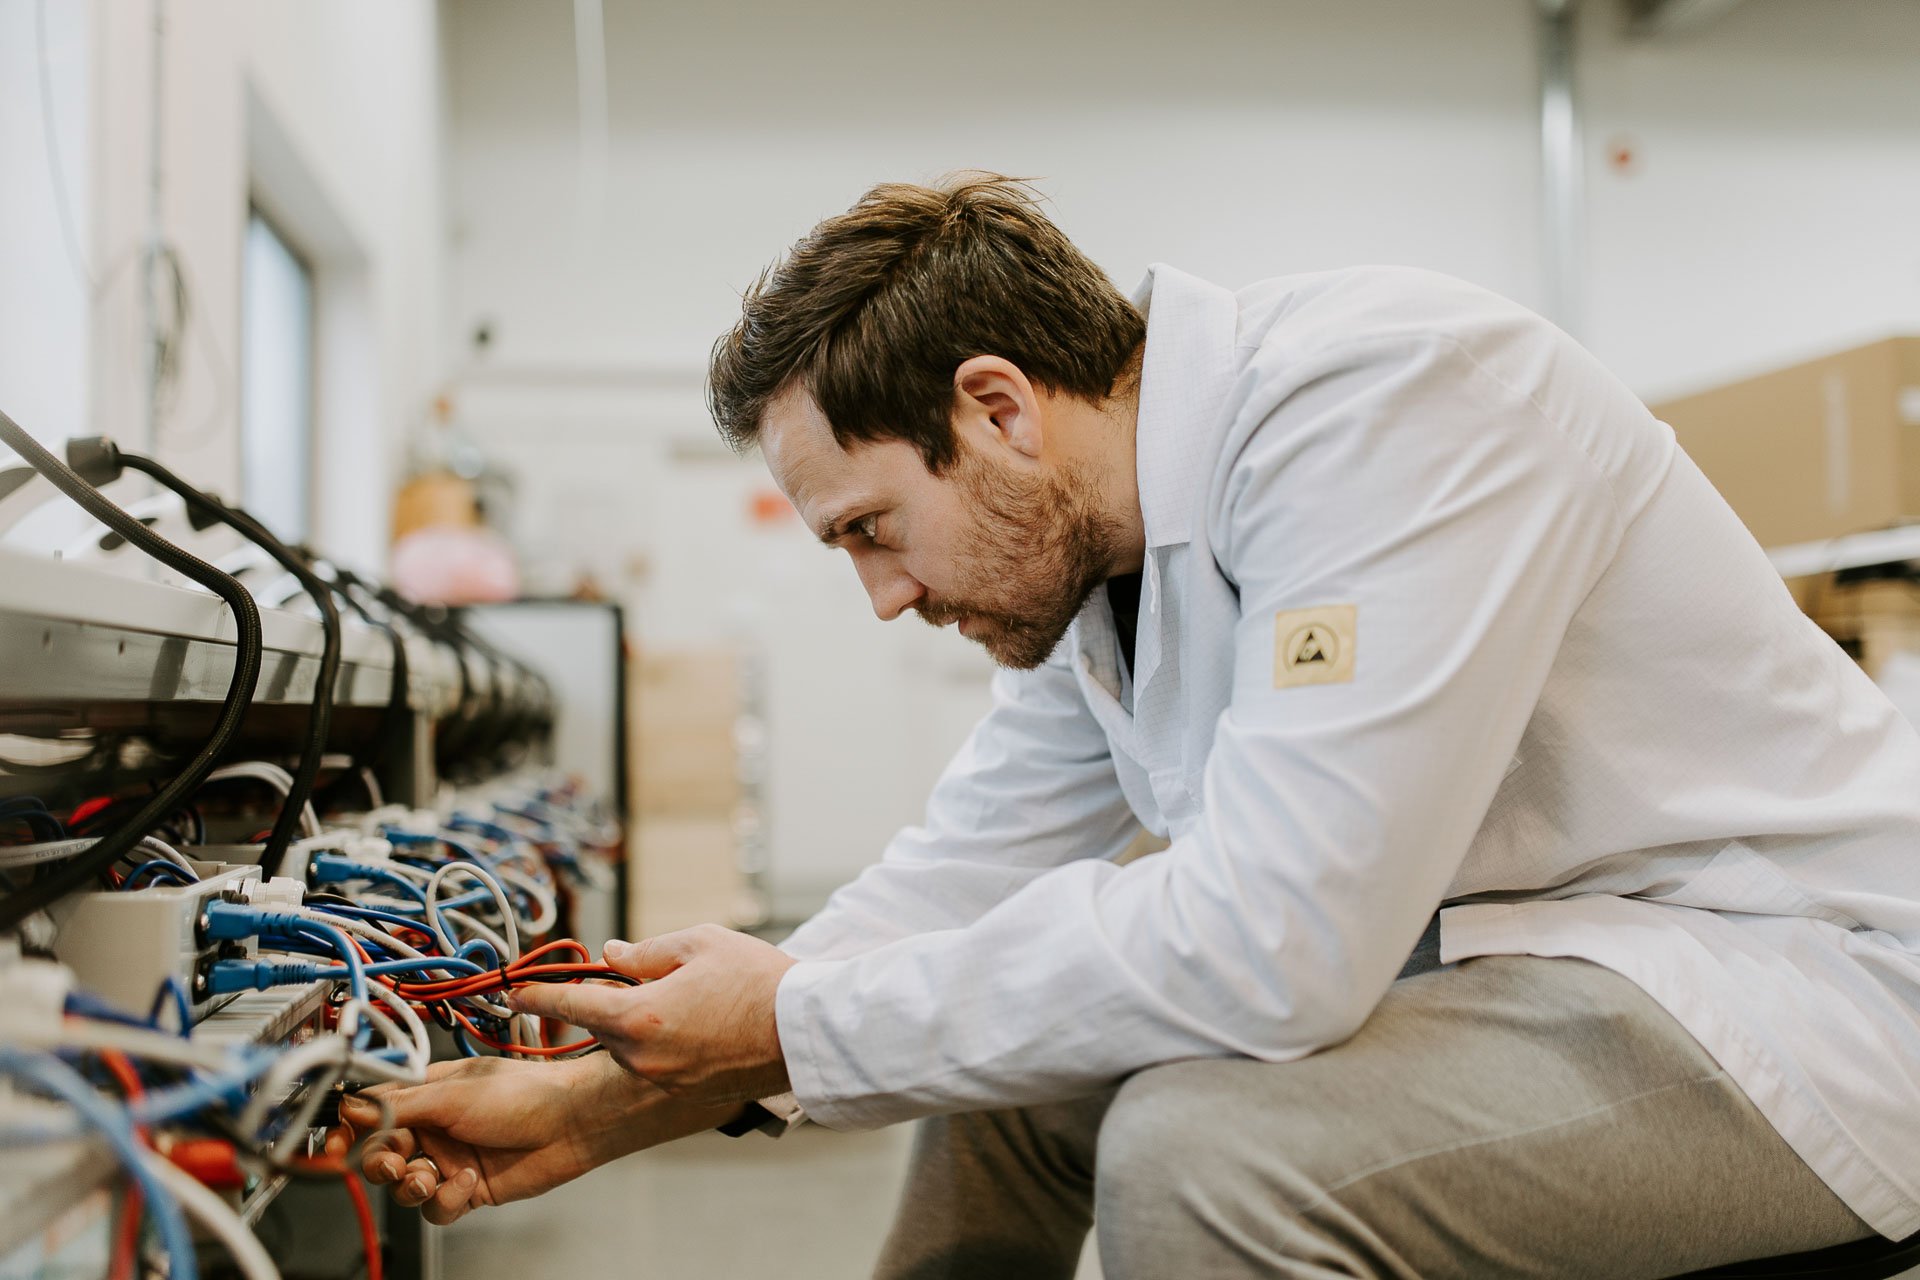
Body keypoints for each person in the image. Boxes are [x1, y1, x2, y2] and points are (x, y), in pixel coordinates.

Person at [333, 175, 1920, 1278]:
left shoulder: (1395, 401)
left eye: (873, 530)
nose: (883, 598)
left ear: (999, 409)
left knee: (1202, 1150)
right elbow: (940, 897)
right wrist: (594, 1108)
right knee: (1016, 1082)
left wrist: (782, 1020)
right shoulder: (1103, 561)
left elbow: (1276, 947)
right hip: (1537, 981)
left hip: (1789, 993)